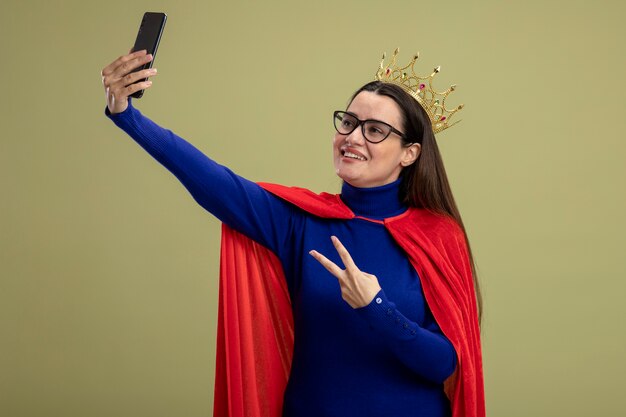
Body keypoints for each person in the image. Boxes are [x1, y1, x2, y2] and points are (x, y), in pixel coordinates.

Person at [101, 49, 485, 417]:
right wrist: (126, 115)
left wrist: (377, 307)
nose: (352, 137)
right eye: (348, 123)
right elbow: (211, 178)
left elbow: (445, 365)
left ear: (409, 153)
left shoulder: (438, 236)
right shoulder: (299, 221)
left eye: (374, 130)